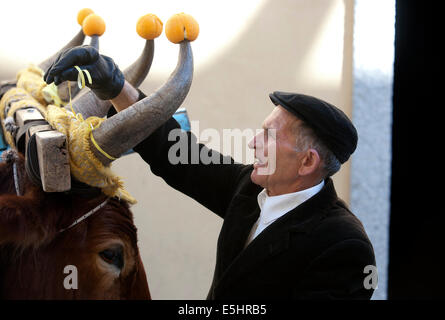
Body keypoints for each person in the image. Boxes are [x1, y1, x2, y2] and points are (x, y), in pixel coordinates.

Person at [45, 45, 376, 300]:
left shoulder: (345, 246)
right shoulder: (250, 189)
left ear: (307, 162)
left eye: (270, 136)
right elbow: (178, 154)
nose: (253, 143)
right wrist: (115, 85)